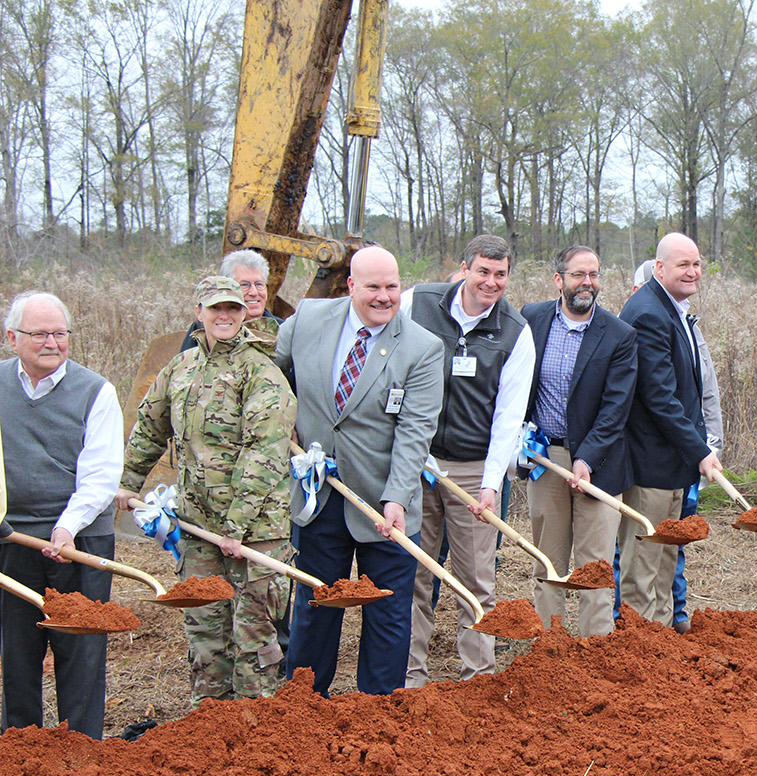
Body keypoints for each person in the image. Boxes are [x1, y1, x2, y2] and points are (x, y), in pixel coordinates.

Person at [118, 276, 295, 706]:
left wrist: (236, 525)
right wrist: (127, 482)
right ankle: (209, 729)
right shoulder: (180, 369)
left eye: (233, 308)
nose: (225, 316)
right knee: (205, 632)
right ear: (198, 311)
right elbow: (150, 429)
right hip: (199, 528)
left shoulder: (261, 372)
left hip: (255, 531)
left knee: (253, 637)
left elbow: (264, 454)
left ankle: (258, 731)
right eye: (216, 308)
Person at [276, 246, 443, 696]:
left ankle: (379, 712)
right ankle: (305, 705)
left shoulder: (423, 348)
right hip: (320, 494)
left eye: (392, 286)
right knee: (316, 606)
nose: (384, 297)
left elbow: (415, 430)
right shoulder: (307, 320)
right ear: (351, 285)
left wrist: (395, 496)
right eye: (373, 286)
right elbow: (272, 380)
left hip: (386, 500)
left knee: (388, 614)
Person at [403, 234, 535, 682]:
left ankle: (478, 676)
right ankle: (409, 676)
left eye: (500, 275)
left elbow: (508, 416)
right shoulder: (416, 304)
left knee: (476, 579)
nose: (491, 282)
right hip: (416, 462)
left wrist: (492, 483)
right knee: (414, 577)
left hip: (472, 466)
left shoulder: (515, 332)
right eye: (483, 271)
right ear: (464, 268)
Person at [0, 291, 123, 739]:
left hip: (80, 541)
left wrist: (66, 528)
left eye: (60, 333)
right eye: (39, 333)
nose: (52, 342)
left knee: (81, 653)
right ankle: (20, 751)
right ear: (12, 337)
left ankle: (82, 754)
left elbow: (100, 475)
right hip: (11, 539)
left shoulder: (96, 391)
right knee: (16, 653)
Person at [520, 246, 637, 637]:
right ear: (559, 280)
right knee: (547, 561)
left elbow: (615, 408)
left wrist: (586, 458)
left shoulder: (619, 334)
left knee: (596, 567)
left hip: (599, 464)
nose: (587, 283)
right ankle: (549, 646)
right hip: (545, 458)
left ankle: (596, 648)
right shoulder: (531, 319)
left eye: (594, 274)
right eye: (578, 275)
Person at [617, 233, 724, 625]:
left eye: (696, 264)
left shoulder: (672, 308)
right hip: (651, 468)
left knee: (664, 562)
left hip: (671, 465)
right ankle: (640, 652)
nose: (693, 271)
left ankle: (661, 644)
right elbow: (659, 398)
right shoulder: (648, 313)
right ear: (659, 268)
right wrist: (700, 451)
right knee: (643, 567)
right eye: (683, 264)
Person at [179, 250, 284, 352]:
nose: (254, 292)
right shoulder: (205, 328)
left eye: (259, 284)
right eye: (244, 285)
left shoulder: (282, 329)